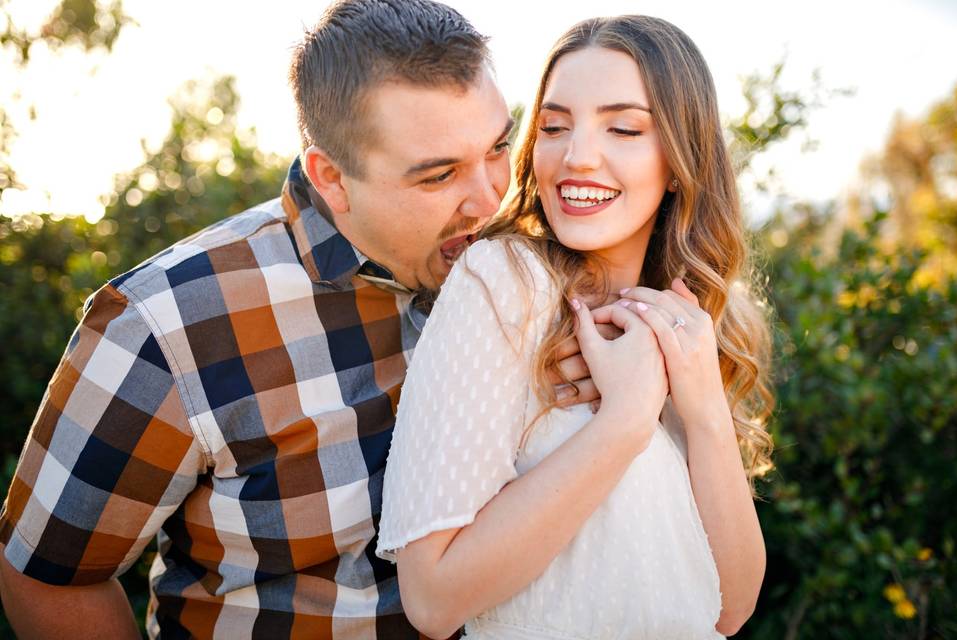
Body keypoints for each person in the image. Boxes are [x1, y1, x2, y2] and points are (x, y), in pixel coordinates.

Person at [0, 1, 620, 637]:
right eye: (439, 176)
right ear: (332, 177)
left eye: (497, 148)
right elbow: (47, 574)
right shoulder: (166, 326)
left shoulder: (531, 265)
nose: (491, 200)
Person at [376, 15, 775, 640]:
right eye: (554, 127)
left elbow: (730, 606)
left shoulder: (684, 319)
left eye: (622, 128)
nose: (576, 156)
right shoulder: (504, 280)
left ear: (680, 157)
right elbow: (431, 597)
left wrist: (701, 410)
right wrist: (625, 422)